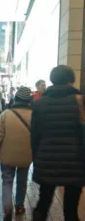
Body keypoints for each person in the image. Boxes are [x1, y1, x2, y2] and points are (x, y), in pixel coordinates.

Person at [31, 65, 85, 221]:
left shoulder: (40, 104)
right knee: (71, 208)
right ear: (71, 79)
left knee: (43, 203)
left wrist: (37, 160)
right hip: (75, 163)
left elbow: (35, 137)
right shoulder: (81, 101)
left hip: (46, 161)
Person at [0, 86, 33, 221]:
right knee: (22, 181)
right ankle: (19, 206)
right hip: (26, 156)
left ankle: (8, 209)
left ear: (16, 98)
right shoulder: (35, 114)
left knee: (7, 181)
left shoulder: (6, 114)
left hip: (7, 155)